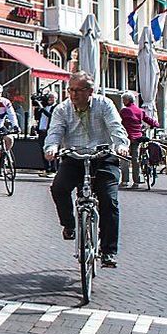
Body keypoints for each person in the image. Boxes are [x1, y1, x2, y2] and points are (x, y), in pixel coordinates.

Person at [43, 72, 130, 268]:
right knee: (59, 187)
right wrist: (51, 148)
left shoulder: (104, 104)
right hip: (75, 157)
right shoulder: (62, 109)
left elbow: (116, 128)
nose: (73, 95)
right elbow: (55, 132)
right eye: (71, 90)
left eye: (78, 90)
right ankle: (69, 225)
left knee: (109, 200)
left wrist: (120, 145)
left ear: (90, 91)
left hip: (103, 158)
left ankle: (108, 251)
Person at [119, 92, 159, 189]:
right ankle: (136, 181)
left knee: (125, 159)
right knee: (135, 159)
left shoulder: (124, 111)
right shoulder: (140, 111)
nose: (123, 102)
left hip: (127, 137)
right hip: (138, 138)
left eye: (123, 100)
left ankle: (125, 181)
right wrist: (155, 124)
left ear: (127, 100)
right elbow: (150, 121)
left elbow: (118, 122)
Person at [35, 92, 57, 177]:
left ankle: (53, 169)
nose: (50, 100)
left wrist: (42, 109)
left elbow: (51, 116)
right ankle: (46, 168)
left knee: (51, 150)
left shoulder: (56, 107)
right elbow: (38, 117)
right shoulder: (44, 107)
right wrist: (38, 107)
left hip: (49, 131)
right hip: (42, 131)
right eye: (49, 98)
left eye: (52, 98)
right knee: (43, 150)